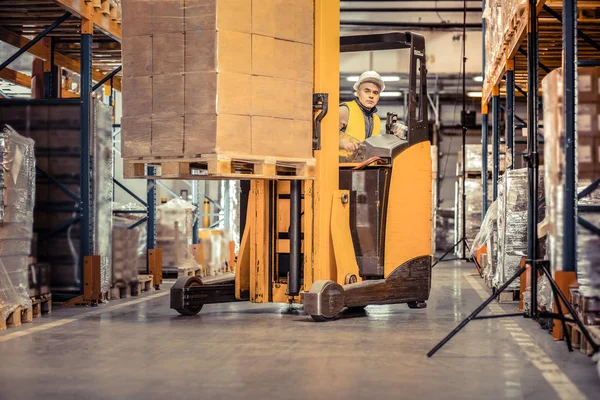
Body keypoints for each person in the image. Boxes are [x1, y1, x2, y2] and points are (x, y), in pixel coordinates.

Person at [339, 71, 407, 160]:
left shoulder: (376, 120)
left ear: (379, 96)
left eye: (375, 93)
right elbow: (323, 136)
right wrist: (341, 143)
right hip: (338, 168)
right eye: (367, 91)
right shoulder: (345, 110)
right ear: (358, 93)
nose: (371, 96)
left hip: (364, 168)